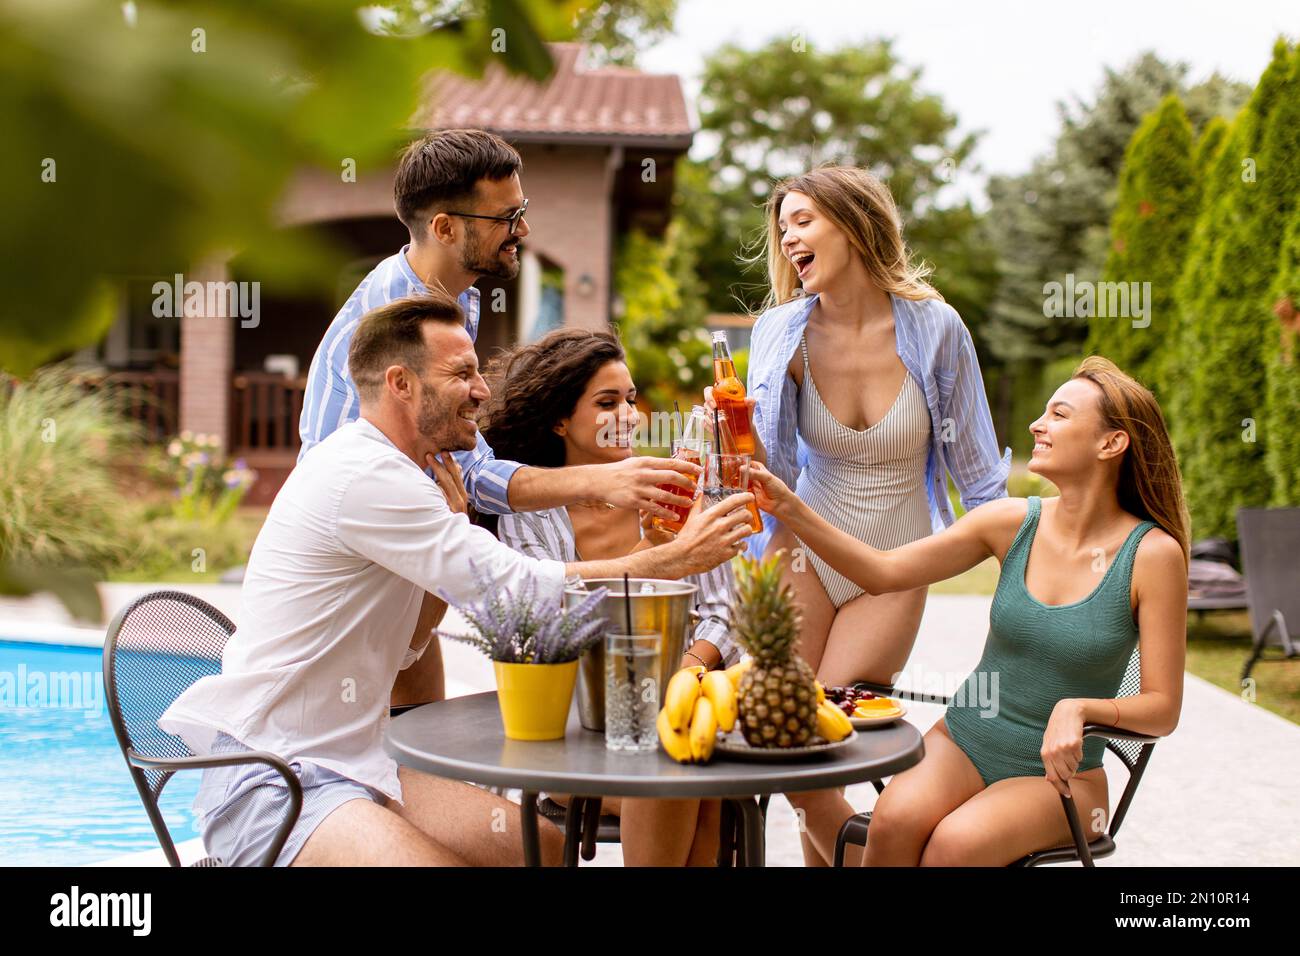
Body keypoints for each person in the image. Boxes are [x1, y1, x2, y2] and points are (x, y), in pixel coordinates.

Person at [159, 293, 755, 867]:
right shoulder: (363, 473)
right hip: (280, 777)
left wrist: (447, 542)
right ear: (401, 384)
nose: (482, 389)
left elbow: (413, 641)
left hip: (362, 760)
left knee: (544, 852)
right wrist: (668, 562)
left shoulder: (411, 476)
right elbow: (518, 589)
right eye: (463, 373)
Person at [300, 129, 700, 706]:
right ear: (445, 227)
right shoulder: (396, 320)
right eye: (506, 217)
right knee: (372, 742)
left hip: (411, 540)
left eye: (524, 211)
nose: (524, 230)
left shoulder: (461, 297)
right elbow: (482, 496)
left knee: (418, 730)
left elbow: (471, 467)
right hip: (361, 555)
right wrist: (607, 482)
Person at [747, 356, 1189, 866]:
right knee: (890, 824)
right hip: (966, 739)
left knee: (952, 847)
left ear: (1111, 444)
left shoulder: (1152, 556)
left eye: (1060, 415)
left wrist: (1080, 708)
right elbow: (881, 572)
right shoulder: (1008, 522)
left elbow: (1162, 708)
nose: (1036, 425)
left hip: (1062, 781)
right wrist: (787, 506)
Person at [709, 164, 1010, 865]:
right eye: (782, 227)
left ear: (852, 222)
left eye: (803, 221)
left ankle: (862, 858)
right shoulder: (781, 332)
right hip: (802, 544)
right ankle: (864, 857)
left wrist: (1022, 578)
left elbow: (980, 476)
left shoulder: (936, 327)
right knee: (783, 735)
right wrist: (725, 449)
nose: (788, 239)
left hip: (896, 559)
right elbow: (767, 473)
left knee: (827, 740)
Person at [479, 327, 736, 866]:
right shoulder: (531, 515)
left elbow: (723, 612)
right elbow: (550, 622)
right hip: (577, 725)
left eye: (632, 399)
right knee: (690, 784)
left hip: (677, 714)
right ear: (559, 420)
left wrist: (686, 672)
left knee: (695, 777)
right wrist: (652, 551)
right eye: (606, 402)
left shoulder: (674, 487)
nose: (629, 415)